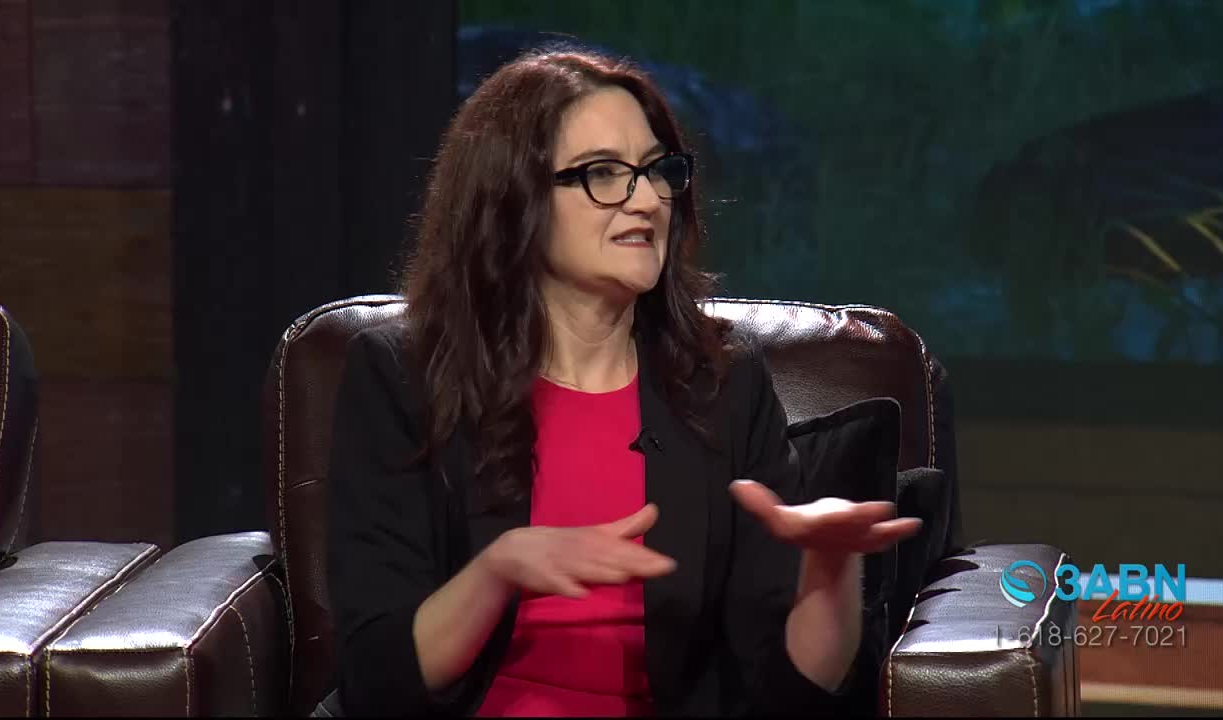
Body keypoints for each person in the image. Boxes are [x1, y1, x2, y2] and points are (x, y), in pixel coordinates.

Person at [325, 47, 922, 718]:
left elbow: (785, 692)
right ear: (512, 199)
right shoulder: (406, 376)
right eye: (604, 174)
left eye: (656, 170)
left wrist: (831, 573)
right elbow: (377, 677)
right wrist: (498, 571)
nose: (647, 200)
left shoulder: (722, 383)